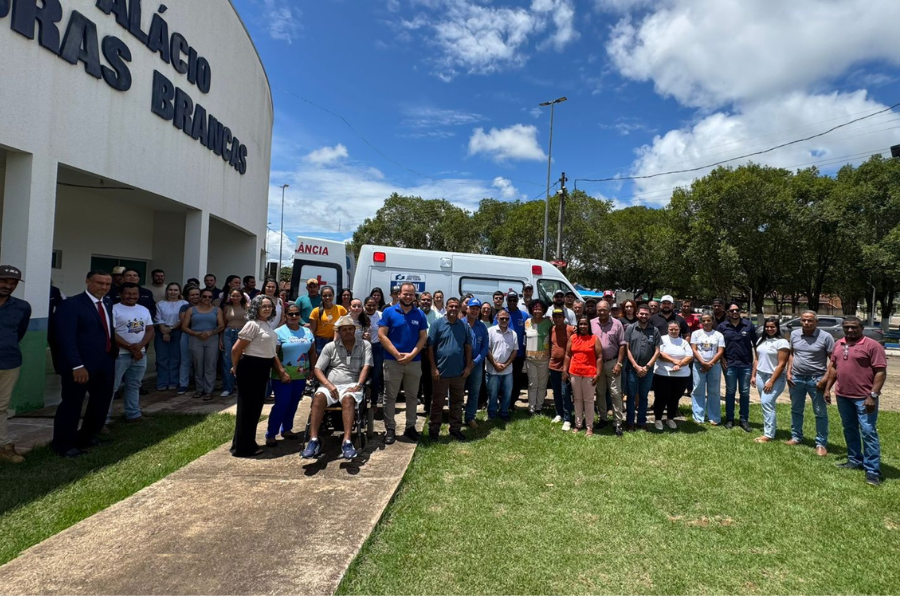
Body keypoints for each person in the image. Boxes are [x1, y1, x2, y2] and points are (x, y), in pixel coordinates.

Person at [51, 270, 118, 457]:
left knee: (101, 402)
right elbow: (66, 339)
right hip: (80, 366)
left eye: (107, 284)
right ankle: (63, 444)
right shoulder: (71, 304)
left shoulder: (108, 302)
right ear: (87, 281)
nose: (103, 287)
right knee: (72, 404)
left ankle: (87, 436)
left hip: (105, 362)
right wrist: (76, 366)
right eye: (99, 283)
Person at [825, 317, 886, 486]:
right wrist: (827, 388)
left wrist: (872, 395)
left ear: (861, 327)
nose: (850, 330)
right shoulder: (839, 344)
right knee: (849, 428)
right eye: (847, 328)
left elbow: (880, 372)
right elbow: (834, 368)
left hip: (864, 398)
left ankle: (872, 470)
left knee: (868, 431)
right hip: (843, 395)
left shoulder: (873, 346)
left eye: (854, 327)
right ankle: (854, 460)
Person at [302, 315, 373, 460]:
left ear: (355, 330)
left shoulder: (365, 345)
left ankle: (346, 442)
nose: (347, 332)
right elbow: (317, 369)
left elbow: (366, 367)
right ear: (339, 332)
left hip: (352, 384)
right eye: (344, 330)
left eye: (350, 329)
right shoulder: (330, 347)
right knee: (318, 397)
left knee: (348, 398)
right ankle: (313, 440)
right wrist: (328, 385)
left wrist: (359, 385)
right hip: (331, 384)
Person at [230, 295, 288, 457]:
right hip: (250, 368)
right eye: (264, 306)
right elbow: (236, 349)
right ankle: (244, 448)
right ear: (256, 308)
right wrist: (235, 368)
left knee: (254, 409)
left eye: (270, 306)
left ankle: (242, 443)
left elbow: (270, 352)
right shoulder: (252, 325)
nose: (268, 308)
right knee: (248, 409)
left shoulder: (266, 325)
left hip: (262, 368)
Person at [378, 282, 428, 444]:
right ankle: (390, 429)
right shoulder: (389, 312)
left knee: (412, 396)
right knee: (390, 396)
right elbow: (381, 335)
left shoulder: (419, 314)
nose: (408, 296)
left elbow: (423, 337)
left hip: (414, 362)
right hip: (393, 361)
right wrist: (396, 354)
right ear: (399, 294)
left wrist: (412, 354)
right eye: (405, 293)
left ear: (415, 296)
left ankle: (410, 427)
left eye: (411, 294)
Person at [265, 305, 316, 446]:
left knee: (293, 403)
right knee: (282, 403)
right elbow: (273, 354)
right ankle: (271, 434)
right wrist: (281, 372)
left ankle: (286, 429)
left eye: (296, 314)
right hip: (282, 375)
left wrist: (312, 369)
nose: (293, 316)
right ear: (286, 315)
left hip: (300, 375)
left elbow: (312, 352)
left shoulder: (307, 331)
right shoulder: (278, 332)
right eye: (290, 314)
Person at [785, 311, 835, 456]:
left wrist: (825, 379)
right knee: (796, 409)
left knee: (820, 412)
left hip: (816, 379)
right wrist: (789, 372)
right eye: (804, 320)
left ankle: (821, 443)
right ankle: (796, 437)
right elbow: (792, 353)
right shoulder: (794, 334)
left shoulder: (826, 337)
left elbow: (833, 360)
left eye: (810, 320)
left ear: (816, 322)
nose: (806, 323)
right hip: (796, 378)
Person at [427, 298, 472, 441]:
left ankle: (455, 429)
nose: (453, 308)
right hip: (441, 372)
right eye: (451, 306)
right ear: (446, 307)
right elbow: (430, 347)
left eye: (456, 306)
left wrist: (468, 366)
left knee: (457, 402)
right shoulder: (437, 324)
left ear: (460, 308)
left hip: (459, 373)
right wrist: (433, 367)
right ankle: (434, 430)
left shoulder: (463, 326)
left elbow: (468, 346)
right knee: (438, 403)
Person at [109, 282, 155, 422]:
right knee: (112, 387)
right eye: (128, 294)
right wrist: (130, 347)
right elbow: (112, 333)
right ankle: (104, 419)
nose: (131, 296)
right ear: (121, 294)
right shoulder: (113, 309)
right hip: (120, 355)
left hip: (140, 354)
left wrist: (139, 347)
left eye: (135, 294)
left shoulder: (143, 309)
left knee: (134, 385)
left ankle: (133, 414)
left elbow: (150, 330)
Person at [0, 265, 31, 463]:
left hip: (8, 361)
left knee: (1, 406)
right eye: (4, 281)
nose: (8, 285)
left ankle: (3, 445)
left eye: (13, 283)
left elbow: (19, 332)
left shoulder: (22, 307)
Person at [718, 302, 757, 432]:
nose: (735, 313)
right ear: (727, 312)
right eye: (732, 311)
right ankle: (730, 419)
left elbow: (756, 344)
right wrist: (722, 358)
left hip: (746, 364)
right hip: (730, 364)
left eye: (737, 310)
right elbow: (719, 345)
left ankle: (744, 420)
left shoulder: (748, 325)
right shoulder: (722, 327)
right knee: (730, 391)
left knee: (745, 392)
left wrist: (756, 362)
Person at [181, 287, 224, 400]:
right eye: (204, 296)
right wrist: (197, 334)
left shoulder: (217, 310)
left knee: (210, 365)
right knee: (198, 365)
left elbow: (221, 325)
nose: (207, 298)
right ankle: (199, 389)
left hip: (212, 339)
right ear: (200, 297)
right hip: (195, 339)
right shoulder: (191, 310)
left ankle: (209, 390)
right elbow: (184, 326)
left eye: (210, 297)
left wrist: (209, 333)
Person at [591, 300, 627, 436]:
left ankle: (618, 422)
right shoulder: (592, 323)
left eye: (604, 310)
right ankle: (603, 418)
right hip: (597, 363)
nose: (601, 312)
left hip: (613, 363)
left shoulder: (617, 324)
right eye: (599, 310)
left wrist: (619, 363)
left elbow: (622, 345)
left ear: (609, 310)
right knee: (600, 392)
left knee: (615, 393)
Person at [752, 316, 790, 443]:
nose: (769, 329)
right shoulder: (760, 341)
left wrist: (772, 381)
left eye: (772, 326)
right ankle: (768, 429)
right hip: (760, 375)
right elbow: (757, 359)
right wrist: (753, 375)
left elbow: (782, 364)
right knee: (766, 404)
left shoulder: (782, 342)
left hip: (774, 377)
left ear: (777, 328)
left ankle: (768, 434)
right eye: (767, 326)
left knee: (766, 403)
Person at [563, 317, 602, 436]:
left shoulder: (594, 339)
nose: (583, 326)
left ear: (589, 326)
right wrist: (565, 370)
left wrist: (598, 373)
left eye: (585, 324)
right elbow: (568, 355)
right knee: (577, 399)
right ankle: (578, 424)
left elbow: (599, 357)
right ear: (578, 325)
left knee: (589, 400)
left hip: (589, 373)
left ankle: (589, 426)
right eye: (581, 324)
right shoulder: (573, 338)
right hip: (574, 372)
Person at [625, 305, 660, 431]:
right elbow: (626, 348)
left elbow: (657, 351)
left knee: (644, 396)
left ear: (650, 315)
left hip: (648, 370)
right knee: (631, 395)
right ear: (637, 314)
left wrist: (647, 366)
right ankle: (629, 422)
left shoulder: (654, 330)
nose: (644, 316)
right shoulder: (630, 328)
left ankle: (641, 421)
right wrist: (636, 366)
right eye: (641, 314)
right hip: (632, 369)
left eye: (646, 314)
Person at [653, 321, 692, 431]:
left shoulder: (684, 342)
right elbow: (660, 353)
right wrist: (674, 360)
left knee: (675, 397)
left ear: (679, 329)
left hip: (681, 375)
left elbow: (689, 356)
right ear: (667, 329)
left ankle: (670, 418)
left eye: (676, 329)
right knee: (661, 397)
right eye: (671, 329)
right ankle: (658, 419)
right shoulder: (662, 339)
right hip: (663, 373)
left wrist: (679, 364)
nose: (674, 331)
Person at [690, 311, 725, 425]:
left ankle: (714, 416)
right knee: (698, 390)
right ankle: (698, 416)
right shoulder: (696, 334)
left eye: (708, 320)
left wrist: (710, 364)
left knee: (714, 391)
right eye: (703, 320)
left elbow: (720, 351)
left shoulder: (718, 335)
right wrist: (703, 363)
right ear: (700, 322)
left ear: (713, 321)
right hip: (698, 364)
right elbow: (694, 349)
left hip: (714, 366)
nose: (706, 322)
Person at [154, 282, 186, 392]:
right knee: (162, 358)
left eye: (175, 290)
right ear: (167, 291)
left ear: (179, 292)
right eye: (170, 289)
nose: (173, 292)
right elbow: (158, 318)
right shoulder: (160, 304)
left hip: (177, 331)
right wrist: (164, 330)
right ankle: (162, 382)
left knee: (175, 358)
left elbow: (181, 319)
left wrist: (171, 329)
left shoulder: (184, 303)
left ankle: (173, 382)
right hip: (161, 331)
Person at [485, 309, 517, 422]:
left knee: (507, 393)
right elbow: (487, 350)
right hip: (492, 369)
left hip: (508, 370)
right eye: (502, 318)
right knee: (492, 393)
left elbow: (514, 351)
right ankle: (492, 413)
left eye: (506, 318)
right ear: (497, 319)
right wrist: (495, 364)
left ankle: (504, 412)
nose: (504, 320)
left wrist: (506, 364)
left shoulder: (513, 334)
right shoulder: (490, 331)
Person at [463, 298, 489, 428]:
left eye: (477, 309)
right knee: (457, 392)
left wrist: (475, 362)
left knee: (474, 392)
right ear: (467, 308)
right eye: (472, 308)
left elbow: (485, 347)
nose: (474, 311)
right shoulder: (459, 324)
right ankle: (455, 417)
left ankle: (470, 417)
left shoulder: (482, 327)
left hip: (476, 365)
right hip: (460, 365)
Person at [523, 299, 552, 417]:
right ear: (531, 310)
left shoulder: (549, 322)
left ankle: (539, 407)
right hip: (530, 359)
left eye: (539, 308)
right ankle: (531, 408)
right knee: (532, 384)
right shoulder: (527, 322)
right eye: (535, 308)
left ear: (544, 310)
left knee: (542, 384)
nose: (537, 311)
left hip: (544, 359)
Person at [500, 291, 527, 410]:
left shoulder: (524, 315)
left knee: (516, 380)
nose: (512, 302)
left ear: (517, 301)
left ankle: (512, 403)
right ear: (507, 301)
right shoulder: (502, 314)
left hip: (519, 354)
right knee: (502, 380)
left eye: (514, 300)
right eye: (509, 300)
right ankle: (501, 403)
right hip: (503, 354)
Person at [548, 308, 574, 431]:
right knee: (556, 392)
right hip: (553, 366)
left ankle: (567, 418)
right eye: (555, 316)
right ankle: (559, 413)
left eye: (560, 316)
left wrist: (567, 368)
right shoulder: (552, 329)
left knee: (565, 393)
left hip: (566, 367)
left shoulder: (570, 329)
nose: (557, 319)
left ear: (564, 317)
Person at [219, 288, 248, 397]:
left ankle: (241, 386)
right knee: (227, 360)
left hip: (242, 334)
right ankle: (228, 387)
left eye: (237, 296)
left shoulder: (247, 307)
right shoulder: (227, 308)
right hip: (228, 333)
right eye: (233, 296)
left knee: (241, 360)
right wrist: (220, 338)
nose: (235, 298)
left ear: (242, 297)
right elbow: (224, 324)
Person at [309, 286, 348, 354]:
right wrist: (312, 345)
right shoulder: (315, 311)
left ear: (333, 296)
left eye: (330, 295)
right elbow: (313, 330)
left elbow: (346, 326)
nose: (327, 298)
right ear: (321, 297)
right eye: (325, 295)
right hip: (320, 341)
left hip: (336, 340)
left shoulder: (341, 309)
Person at [176, 286, 200, 394]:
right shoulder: (184, 307)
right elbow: (184, 322)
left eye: (197, 294)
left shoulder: (207, 307)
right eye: (192, 295)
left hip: (202, 336)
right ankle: (183, 384)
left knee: (200, 361)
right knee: (185, 360)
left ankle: (200, 384)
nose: (195, 297)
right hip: (187, 335)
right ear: (188, 297)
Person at [364, 296, 384, 403]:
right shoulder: (360, 315)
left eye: (373, 305)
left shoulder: (381, 315)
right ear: (365, 305)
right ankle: (362, 399)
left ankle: (374, 401)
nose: (371, 307)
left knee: (376, 375)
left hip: (377, 347)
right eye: (369, 305)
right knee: (363, 374)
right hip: (362, 348)